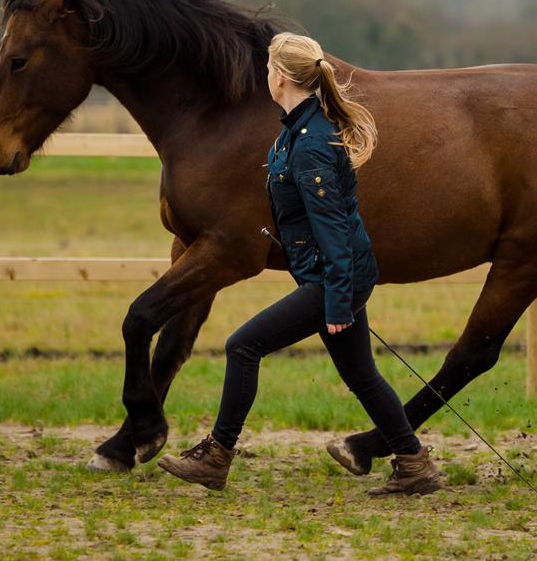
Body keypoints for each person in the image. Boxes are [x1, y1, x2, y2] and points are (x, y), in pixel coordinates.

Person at [158, 32, 441, 496]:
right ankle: (414, 465)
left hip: (335, 278)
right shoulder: (296, 128)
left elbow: (332, 231)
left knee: (242, 346)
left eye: (269, 68)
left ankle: (216, 456)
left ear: (283, 77)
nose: (265, 76)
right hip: (332, 274)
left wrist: (335, 304)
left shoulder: (311, 143)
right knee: (362, 375)